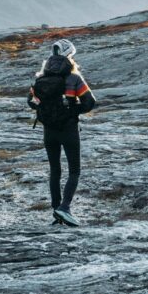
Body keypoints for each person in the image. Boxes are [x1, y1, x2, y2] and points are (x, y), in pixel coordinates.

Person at [28, 39, 97, 226]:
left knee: (55, 171)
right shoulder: (74, 79)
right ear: (70, 57)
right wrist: (70, 112)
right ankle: (65, 208)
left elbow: (31, 102)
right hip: (69, 130)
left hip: (49, 131)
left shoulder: (40, 79)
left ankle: (56, 211)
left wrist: (49, 112)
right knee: (74, 171)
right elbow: (90, 102)